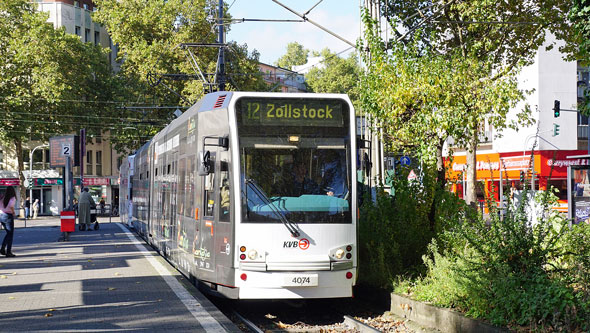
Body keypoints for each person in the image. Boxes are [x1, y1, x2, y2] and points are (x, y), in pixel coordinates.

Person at [0, 186, 17, 257]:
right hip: (8, 215)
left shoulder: (3, 198)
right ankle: (8, 251)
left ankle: (3, 249)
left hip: (1, 215)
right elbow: (11, 205)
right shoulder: (12, 198)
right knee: (10, 234)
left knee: (8, 233)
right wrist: (13, 212)